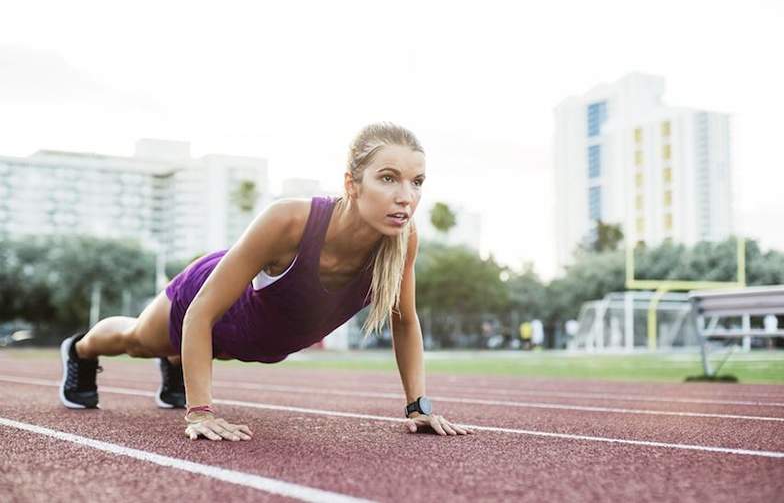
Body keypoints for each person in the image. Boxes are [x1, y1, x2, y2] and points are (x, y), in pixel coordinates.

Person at [59, 122, 474, 441]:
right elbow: (202, 312)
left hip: (253, 339)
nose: (406, 196)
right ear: (352, 183)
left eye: (416, 182)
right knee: (137, 340)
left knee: (194, 350)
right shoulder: (289, 220)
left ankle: (178, 365)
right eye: (388, 178)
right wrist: (201, 411)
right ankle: (80, 350)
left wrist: (417, 407)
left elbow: (404, 320)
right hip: (205, 300)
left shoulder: (403, 240)